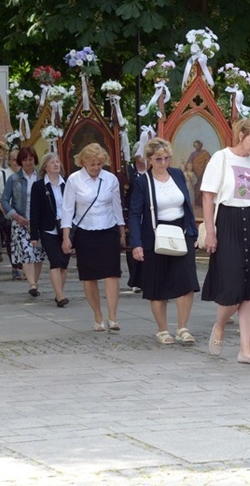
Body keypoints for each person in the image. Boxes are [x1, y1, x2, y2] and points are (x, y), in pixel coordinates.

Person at [201, 117, 250, 365]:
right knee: (232, 285)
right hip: (228, 220)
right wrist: (211, 231)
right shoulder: (221, 158)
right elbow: (208, 197)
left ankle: (246, 350)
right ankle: (220, 325)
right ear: (241, 135)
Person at [129, 138, 199, 345]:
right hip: (155, 233)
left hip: (180, 232)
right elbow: (134, 214)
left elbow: (187, 204)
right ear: (149, 159)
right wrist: (137, 243)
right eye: (158, 159)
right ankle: (162, 330)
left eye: (167, 158)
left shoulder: (177, 175)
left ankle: (183, 327)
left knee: (186, 281)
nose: (163, 163)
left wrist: (192, 232)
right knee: (157, 284)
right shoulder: (143, 182)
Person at [61, 143, 126, 332]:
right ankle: (98, 315)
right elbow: (67, 210)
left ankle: (112, 316)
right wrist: (66, 237)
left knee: (112, 273)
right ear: (83, 162)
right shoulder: (74, 180)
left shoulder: (110, 179)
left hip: (108, 229)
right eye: (92, 164)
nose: (96, 167)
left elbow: (116, 206)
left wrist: (121, 232)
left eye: (99, 164)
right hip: (85, 231)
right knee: (89, 276)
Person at [1, 146, 46, 296]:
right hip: (21, 221)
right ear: (21, 161)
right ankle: (32, 284)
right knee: (27, 253)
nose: (28, 162)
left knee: (38, 254)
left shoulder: (41, 177)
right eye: (25, 160)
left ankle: (35, 282)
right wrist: (15, 215)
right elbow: (5, 200)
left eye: (31, 159)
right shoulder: (14, 179)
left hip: (38, 222)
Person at [30, 153, 70, 307]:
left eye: (57, 162)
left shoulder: (67, 183)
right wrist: (34, 235)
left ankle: (58, 291)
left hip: (66, 229)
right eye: (52, 162)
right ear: (45, 167)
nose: (56, 164)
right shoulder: (39, 186)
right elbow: (34, 211)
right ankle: (60, 296)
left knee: (64, 263)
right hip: (48, 229)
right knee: (55, 261)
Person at [125, 143, 147, 293]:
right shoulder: (128, 171)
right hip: (132, 211)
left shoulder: (152, 170)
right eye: (140, 154)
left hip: (149, 212)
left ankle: (146, 277)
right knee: (133, 243)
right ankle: (135, 278)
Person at [3, 149, 24, 280]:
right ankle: (15, 267)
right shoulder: (4, 175)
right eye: (13, 159)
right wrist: (6, 210)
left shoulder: (29, 175)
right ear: (9, 161)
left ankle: (27, 267)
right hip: (9, 214)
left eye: (18, 159)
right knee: (12, 242)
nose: (16, 162)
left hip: (26, 215)